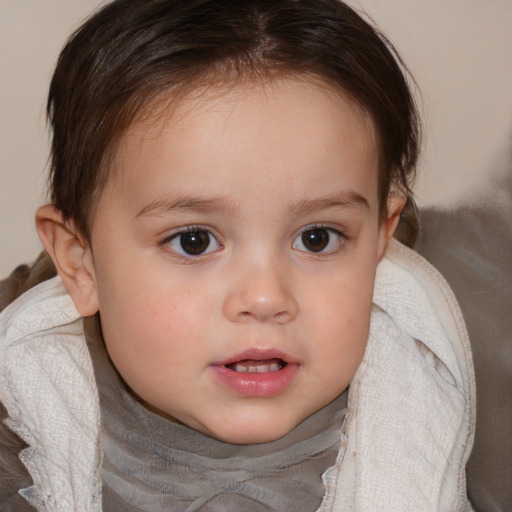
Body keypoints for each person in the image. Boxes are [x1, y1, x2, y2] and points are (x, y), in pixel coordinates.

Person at [0, 1, 475, 510]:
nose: (266, 297)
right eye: (194, 241)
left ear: (381, 239)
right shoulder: (26, 410)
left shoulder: (426, 399)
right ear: (80, 261)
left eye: (318, 238)